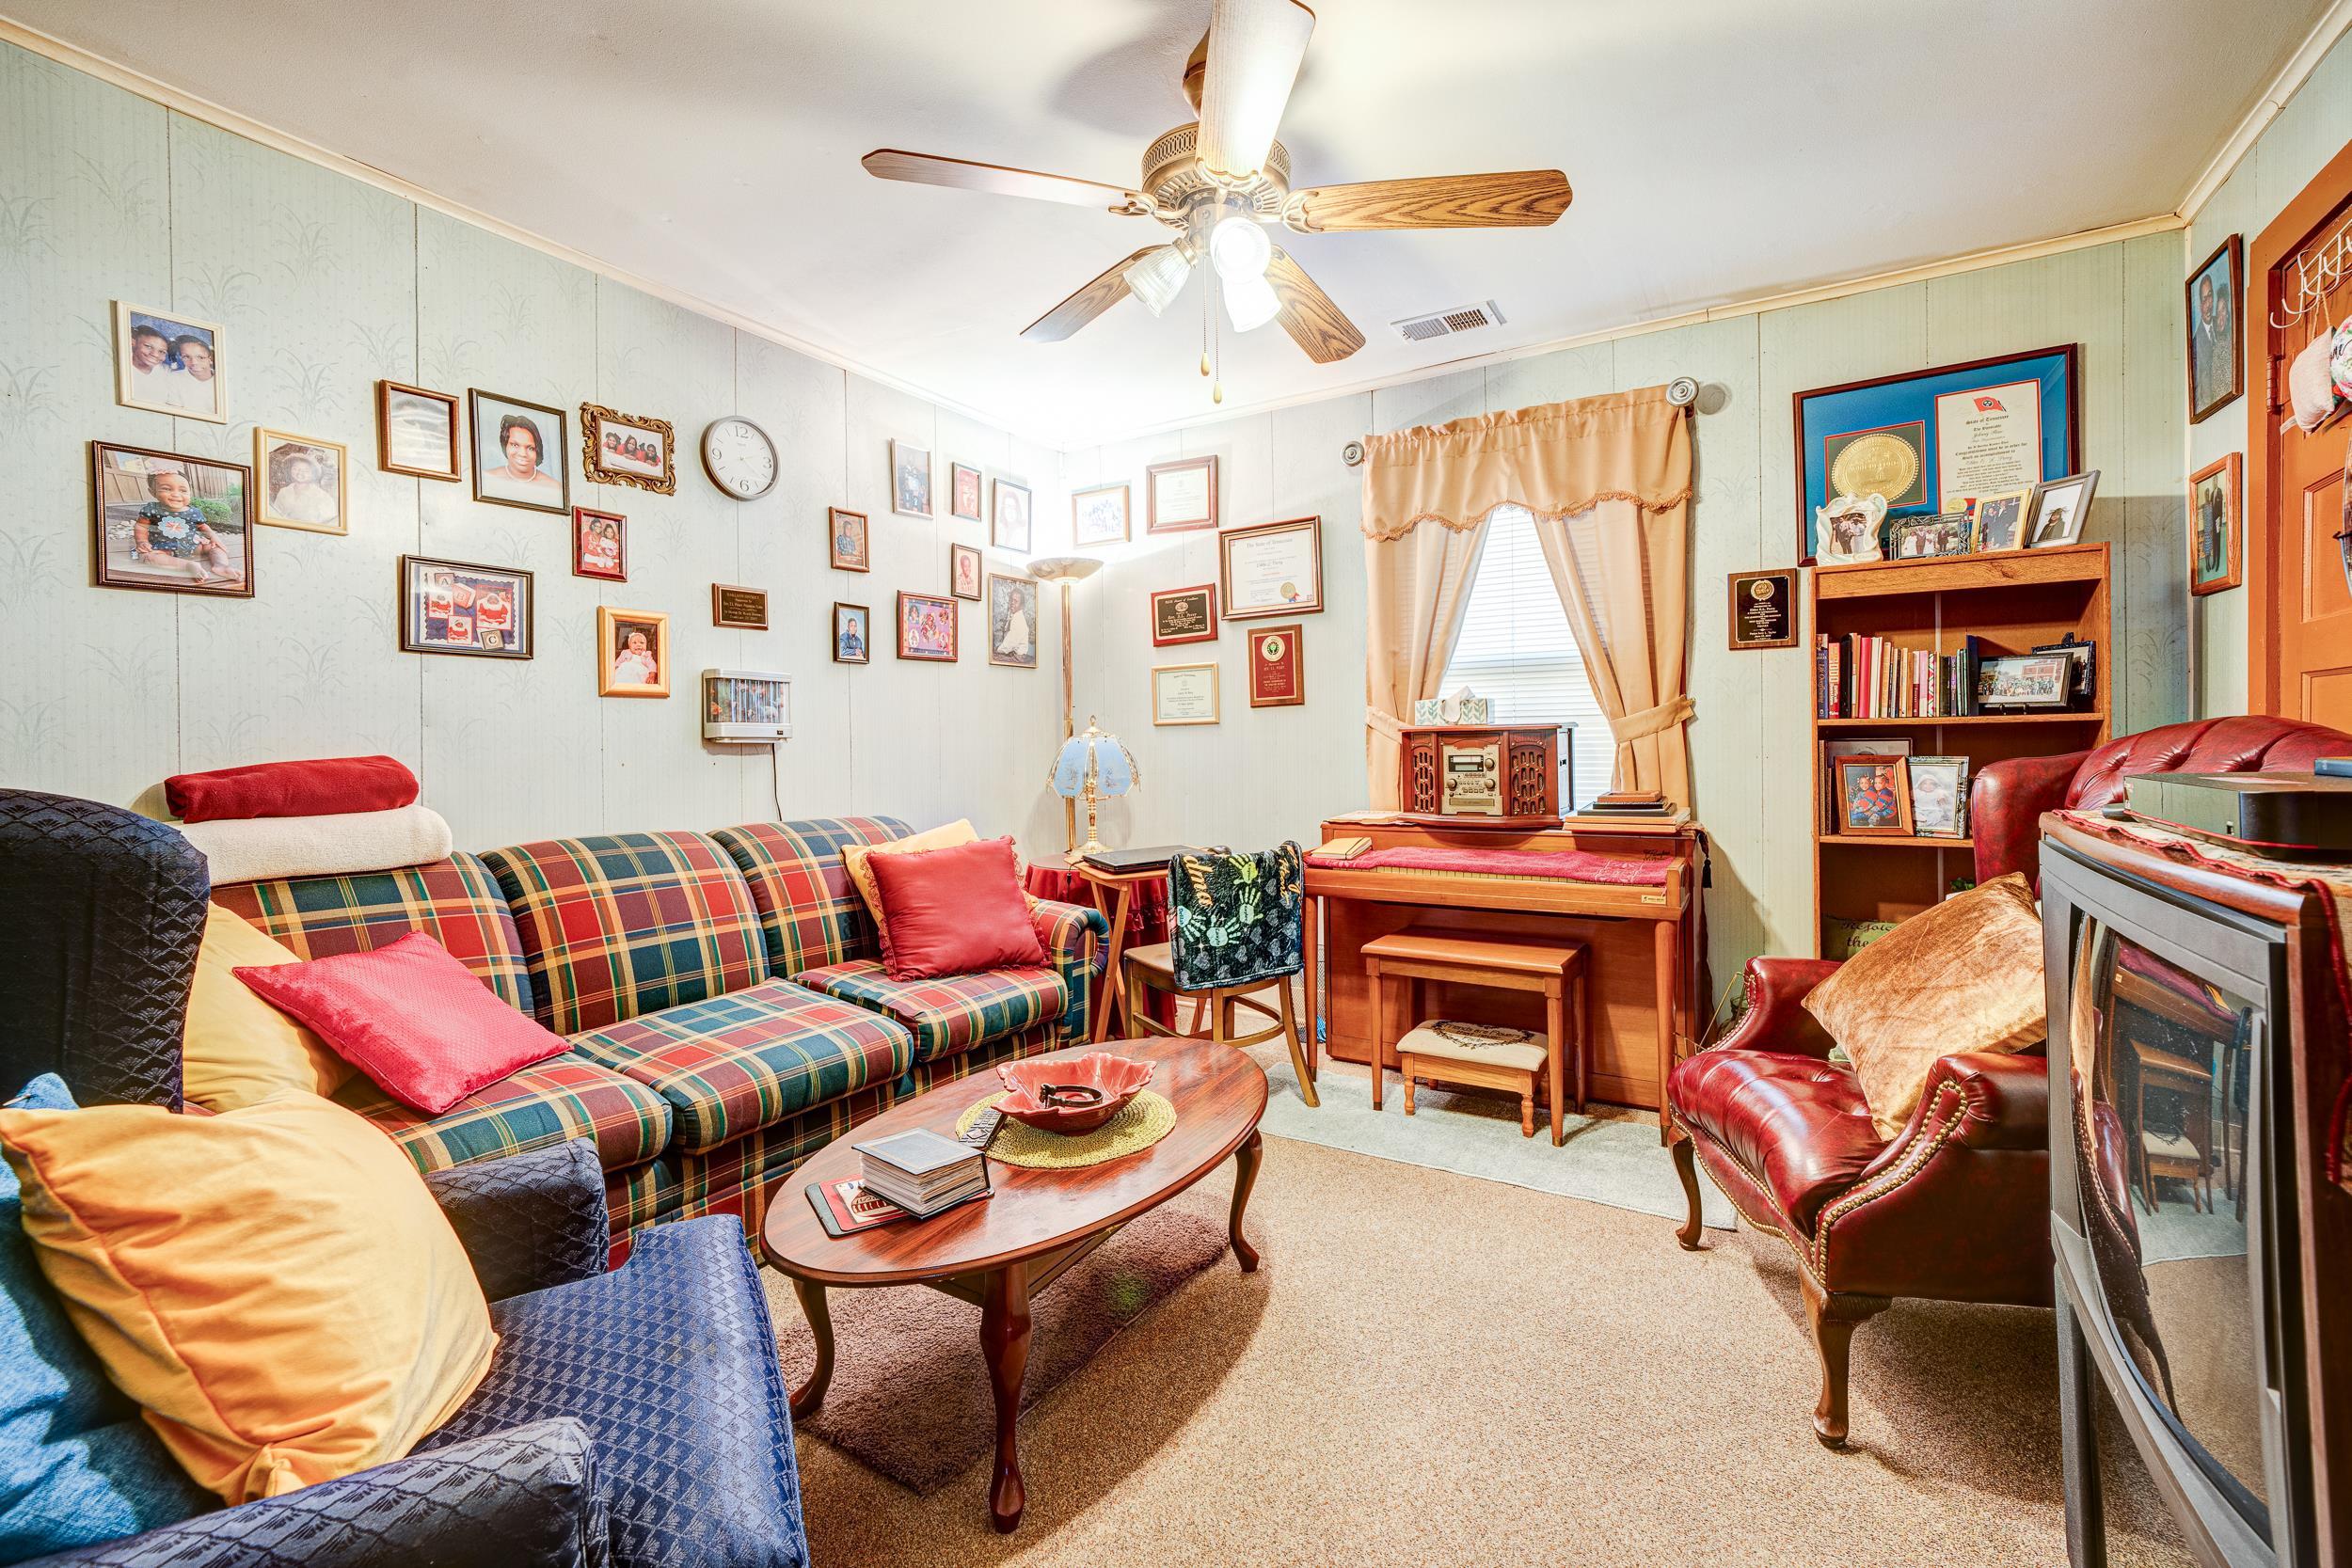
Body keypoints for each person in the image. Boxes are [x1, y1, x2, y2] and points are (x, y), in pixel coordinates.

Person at [130, 467, 234, 583]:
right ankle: (189, 565)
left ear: (190, 492)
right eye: (167, 489)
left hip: (192, 546)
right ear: (152, 492)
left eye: (183, 490)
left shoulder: (194, 512)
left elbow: (203, 527)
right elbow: (141, 526)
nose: (176, 494)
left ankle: (221, 565)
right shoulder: (152, 509)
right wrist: (142, 542)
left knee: (216, 546)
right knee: (147, 557)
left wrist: (214, 537)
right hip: (163, 548)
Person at [483, 412, 560, 500]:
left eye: (530, 448)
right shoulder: (487, 479)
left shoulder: (554, 488)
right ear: (505, 445)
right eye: (515, 445)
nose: (523, 454)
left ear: (537, 450)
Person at [2192, 269, 2236, 411]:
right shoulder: (2195, 345)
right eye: (2204, 299)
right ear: (2199, 305)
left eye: (2210, 296)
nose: (2208, 304)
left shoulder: (2224, 325)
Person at [122, 324, 191, 408]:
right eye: (148, 346)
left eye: (162, 352)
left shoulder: (166, 371)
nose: (155, 354)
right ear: (133, 343)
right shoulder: (123, 366)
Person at [267, 449, 338, 527]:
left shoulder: (322, 497)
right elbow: (275, 517)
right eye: (295, 469)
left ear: (313, 474)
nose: (300, 473)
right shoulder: (284, 492)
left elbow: (329, 525)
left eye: (306, 470)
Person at [162, 335, 218, 418]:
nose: (194, 362)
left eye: (200, 357)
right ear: (181, 358)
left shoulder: (221, 381)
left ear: (210, 359)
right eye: (186, 357)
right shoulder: (174, 378)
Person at [994, 583, 1033, 660]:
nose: (1012, 603)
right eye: (1011, 600)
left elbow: (1008, 645)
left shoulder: (1018, 620)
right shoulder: (1015, 616)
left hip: (1018, 657)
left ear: (1021, 605)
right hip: (1014, 654)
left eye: (1015, 601)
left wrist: (997, 649)